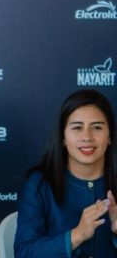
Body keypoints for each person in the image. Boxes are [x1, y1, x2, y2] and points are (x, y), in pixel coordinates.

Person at [15, 89, 117, 257]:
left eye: (97, 127)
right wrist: (76, 235)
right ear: (63, 137)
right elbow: (24, 252)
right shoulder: (40, 183)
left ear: (110, 136)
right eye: (77, 127)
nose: (87, 137)